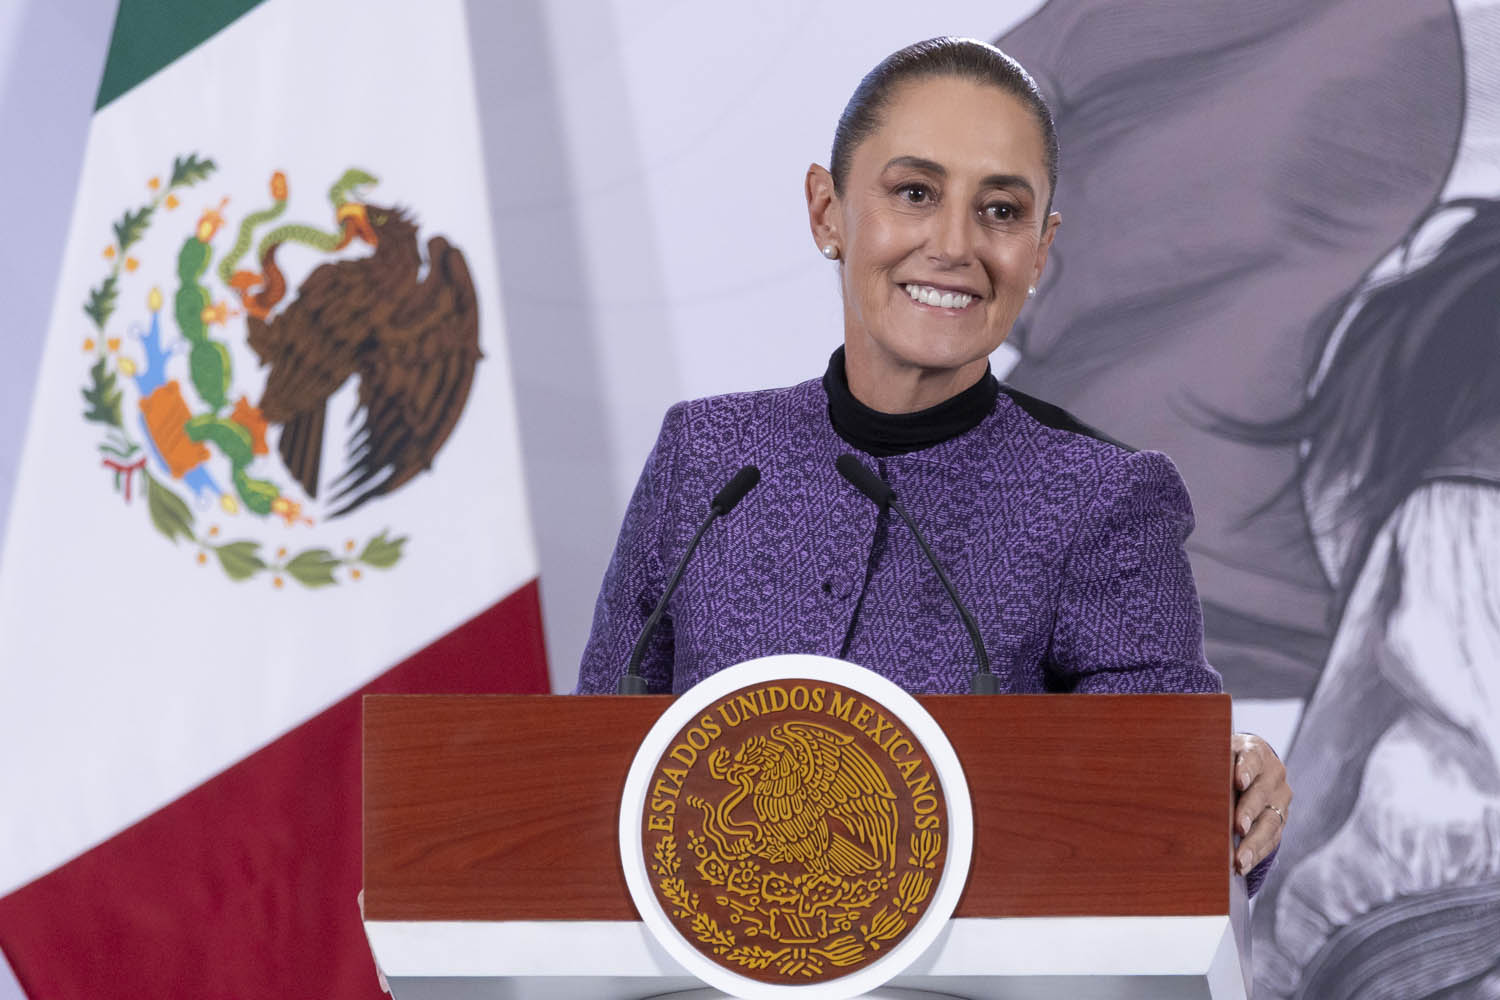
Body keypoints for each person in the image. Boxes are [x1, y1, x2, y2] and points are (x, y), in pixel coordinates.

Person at [574, 37, 1288, 888]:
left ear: (1041, 250)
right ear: (826, 212)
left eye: (1001, 211)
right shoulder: (708, 462)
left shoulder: (1100, 502)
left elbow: (1168, 836)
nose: (955, 245)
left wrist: (1225, 777)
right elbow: (590, 782)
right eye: (915, 192)